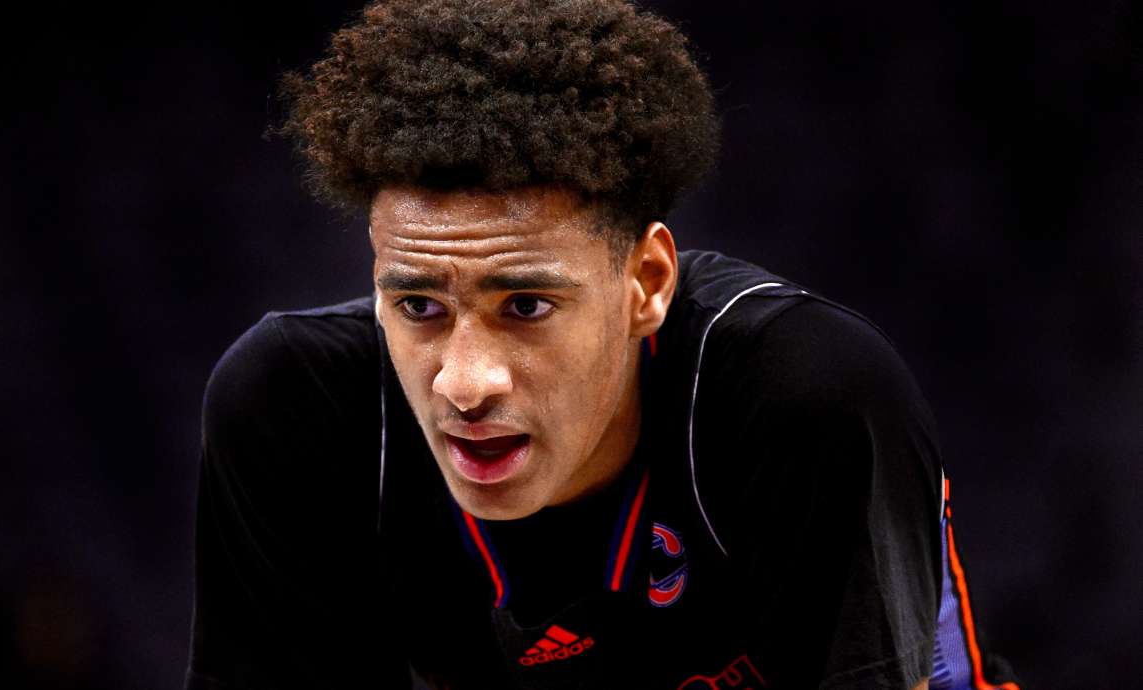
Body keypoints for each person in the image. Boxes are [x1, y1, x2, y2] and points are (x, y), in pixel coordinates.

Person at [183, 1, 1023, 688]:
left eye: (525, 305)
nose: (464, 385)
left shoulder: (805, 394)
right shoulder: (293, 409)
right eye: (418, 305)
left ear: (646, 283)